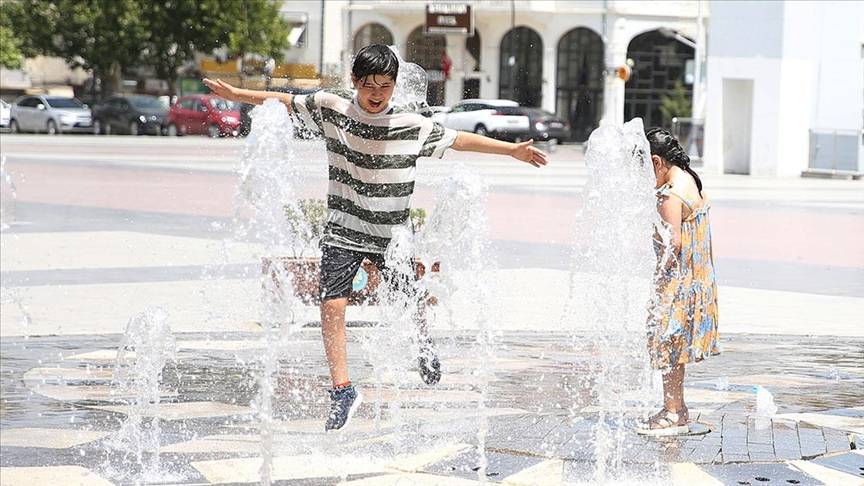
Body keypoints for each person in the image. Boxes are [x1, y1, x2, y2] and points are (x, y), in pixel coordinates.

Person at [203, 44, 548, 431]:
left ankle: (421, 342)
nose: (377, 94)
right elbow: (285, 99)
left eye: (385, 86)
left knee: (409, 298)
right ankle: (343, 390)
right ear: (354, 82)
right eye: (369, 86)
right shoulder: (332, 108)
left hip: (391, 235)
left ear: (395, 86)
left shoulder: (411, 125)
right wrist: (238, 95)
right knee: (331, 304)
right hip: (343, 229)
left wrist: (512, 151)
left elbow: (459, 140)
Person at [637, 127, 719, 436]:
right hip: (697, 278)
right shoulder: (690, 179)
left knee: (667, 343)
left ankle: (672, 411)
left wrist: (660, 284)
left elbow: (673, 246)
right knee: (675, 345)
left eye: (645, 169)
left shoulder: (670, 194)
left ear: (657, 162)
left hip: (677, 281)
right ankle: (678, 408)